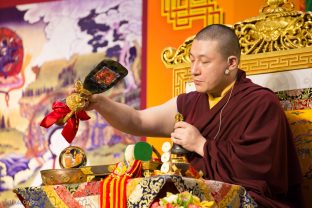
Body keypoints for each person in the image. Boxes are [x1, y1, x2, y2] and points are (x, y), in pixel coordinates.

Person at [87, 24, 304, 207]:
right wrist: (99, 102)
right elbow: (138, 120)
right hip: (194, 194)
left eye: (204, 61)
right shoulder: (191, 101)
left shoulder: (261, 103)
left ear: (231, 63)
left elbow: (262, 172)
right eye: (192, 60)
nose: (194, 70)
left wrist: (201, 144)